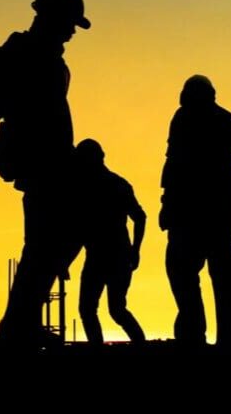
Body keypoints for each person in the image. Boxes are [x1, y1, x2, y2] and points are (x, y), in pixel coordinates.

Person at [0, 0, 91, 350]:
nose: (73, 30)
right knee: (45, 246)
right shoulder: (25, 48)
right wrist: (7, 108)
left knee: (50, 245)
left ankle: (20, 323)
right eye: (70, 22)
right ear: (52, 16)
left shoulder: (48, 55)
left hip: (53, 160)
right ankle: (16, 327)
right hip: (40, 162)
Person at [159, 74, 231, 349]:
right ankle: (197, 335)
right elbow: (173, 166)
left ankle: (222, 339)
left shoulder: (221, 120)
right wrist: (167, 204)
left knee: (217, 276)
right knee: (189, 273)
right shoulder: (183, 119)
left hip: (212, 211)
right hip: (192, 211)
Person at [74, 138, 146, 346]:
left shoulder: (100, 187)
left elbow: (140, 217)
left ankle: (139, 346)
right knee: (103, 309)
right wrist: (135, 250)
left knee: (107, 309)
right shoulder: (113, 185)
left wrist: (136, 250)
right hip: (106, 256)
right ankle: (136, 346)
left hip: (112, 256)